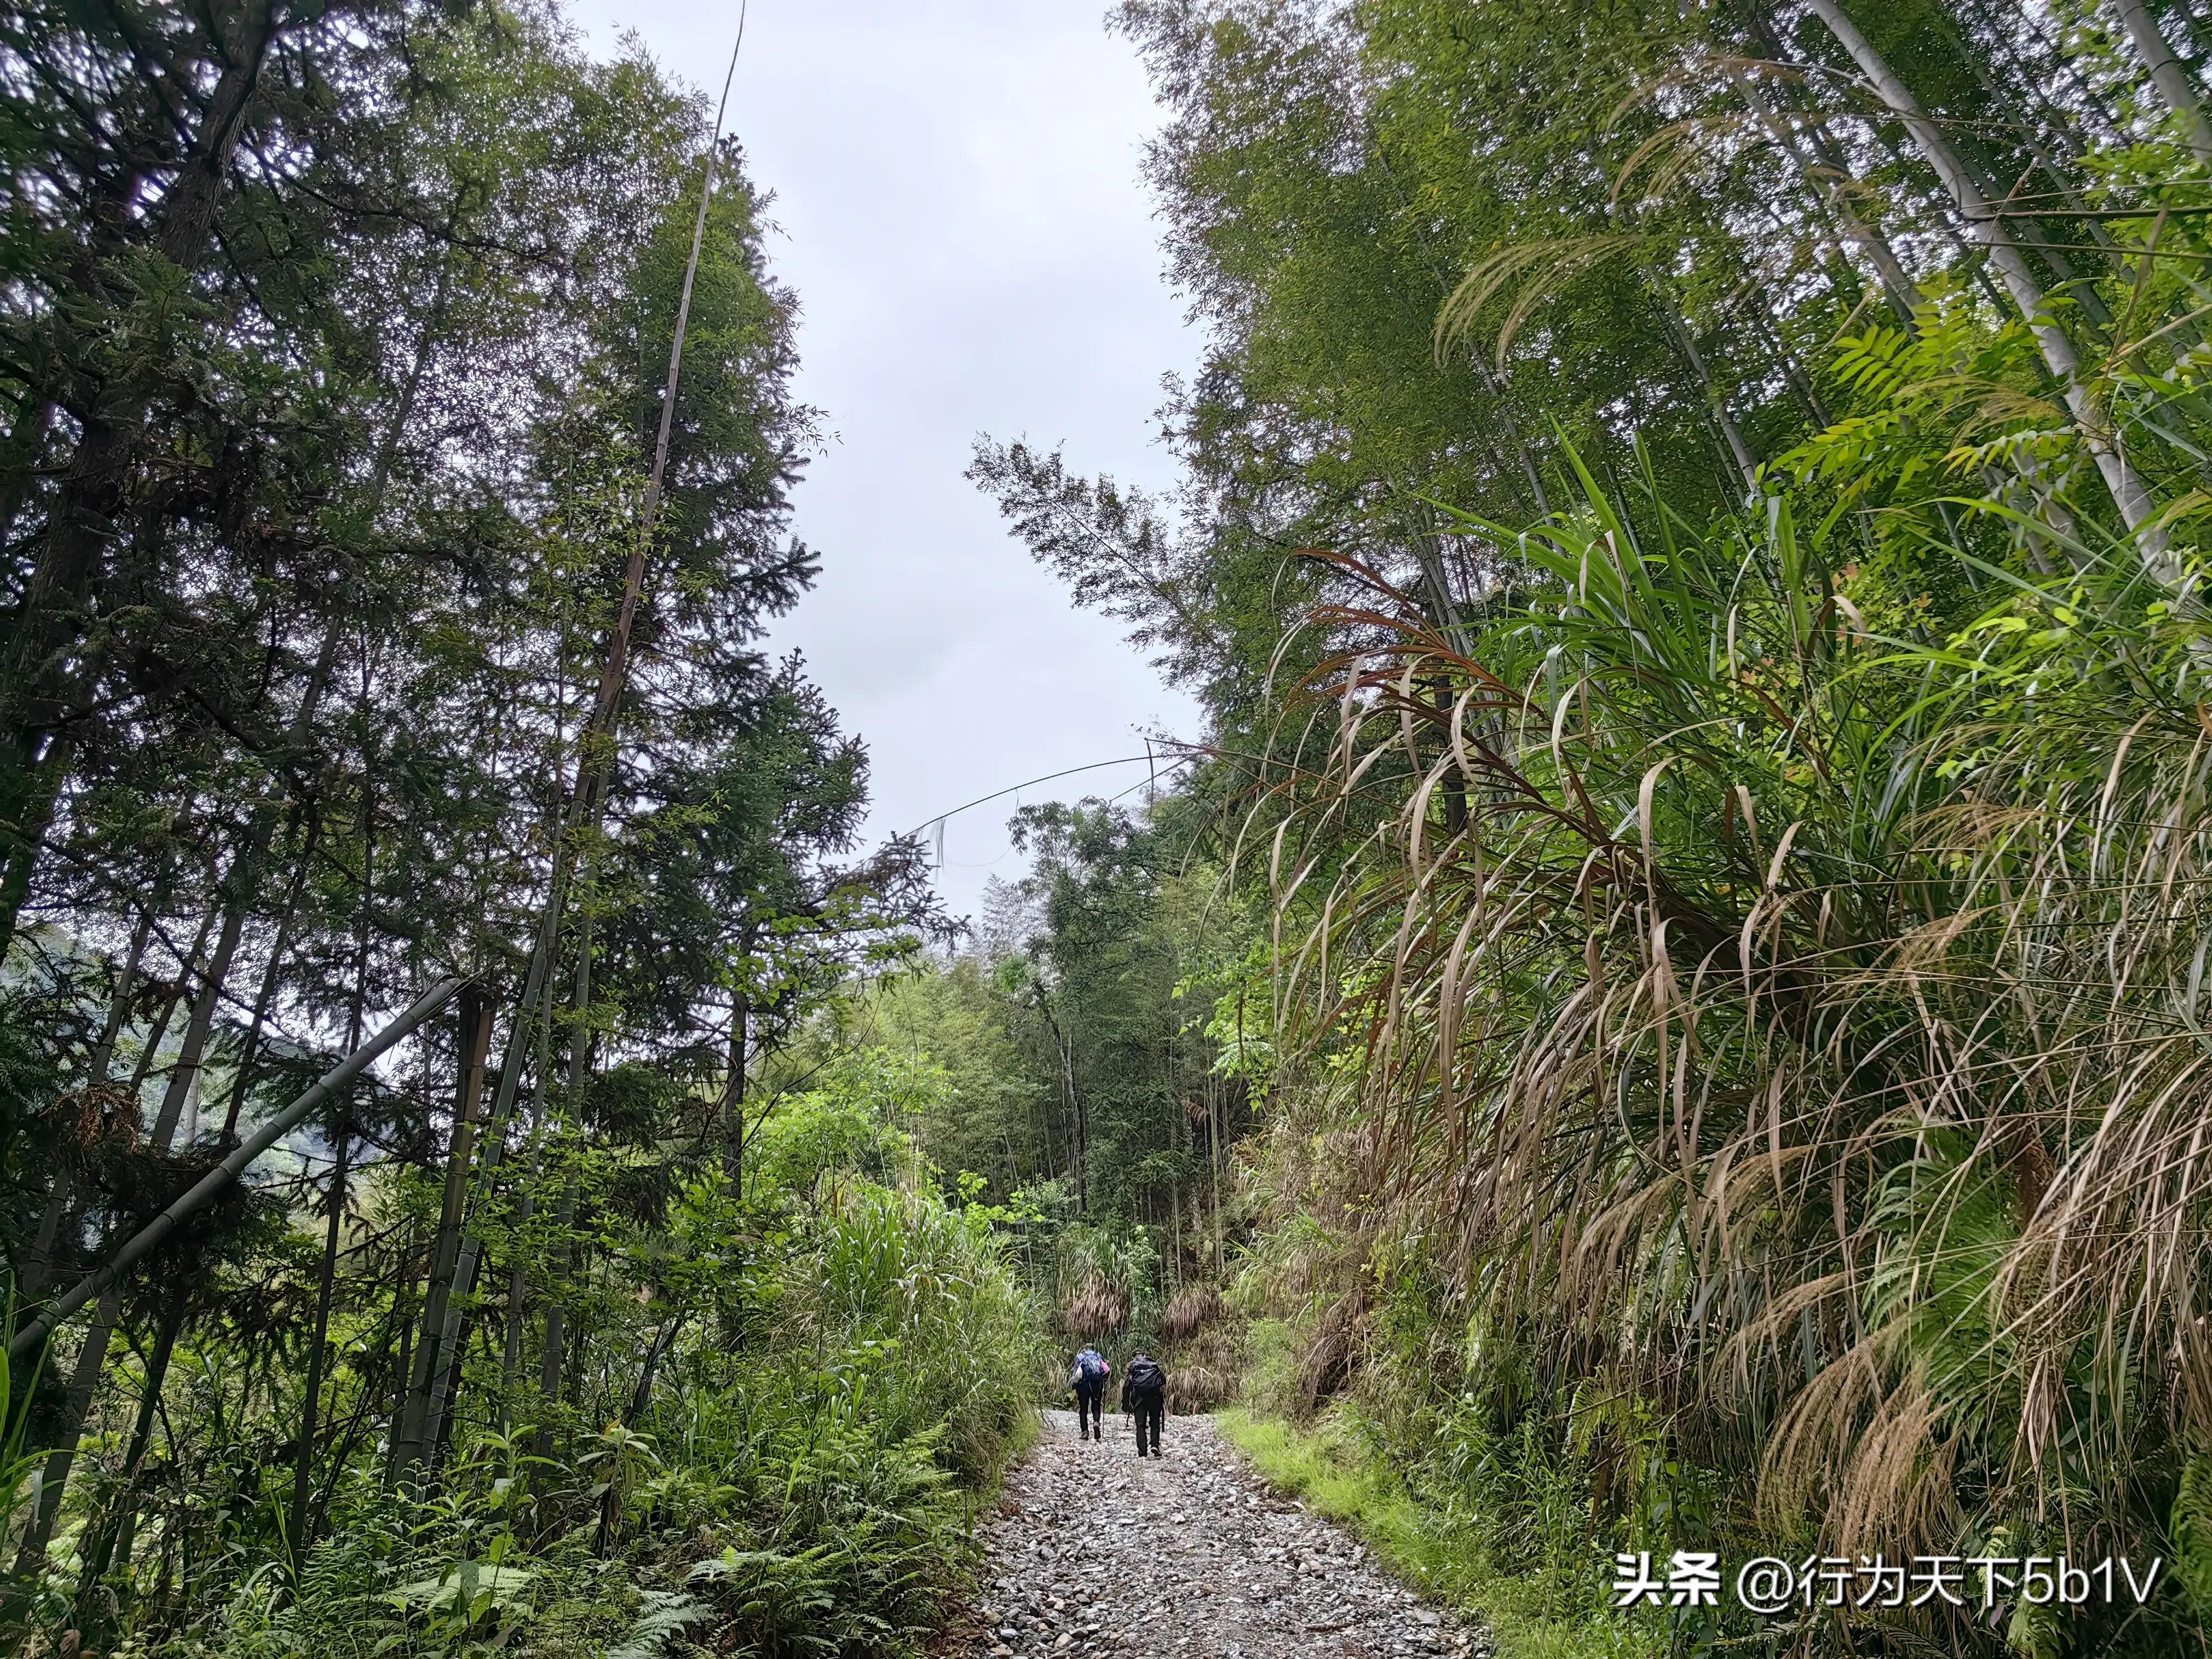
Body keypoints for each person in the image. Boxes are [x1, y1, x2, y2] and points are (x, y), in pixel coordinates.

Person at [1122, 1350, 1166, 1457]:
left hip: (1139, 1400)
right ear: (1144, 1355)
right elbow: (1163, 1380)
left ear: (1133, 1357)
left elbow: (1126, 1386)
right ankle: (1155, 1445)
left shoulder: (1134, 1366)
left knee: (1140, 1426)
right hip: (1155, 1397)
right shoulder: (1152, 1364)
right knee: (1155, 1422)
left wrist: (1126, 1405)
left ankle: (1143, 1452)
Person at [1069, 1344, 1109, 1440]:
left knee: (1083, 1408)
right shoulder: (1099, 1356)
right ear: (1094, 1349)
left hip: (1084, 1385)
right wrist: (1104, 1381)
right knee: (1096, 1405)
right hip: (1097, 1385)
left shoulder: (1080, 1357)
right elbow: (1106, 1370)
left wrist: (1075, 1387)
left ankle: (1085, 1432)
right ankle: (1096, 1422)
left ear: (1085, 1349)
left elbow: (1077, 1374)